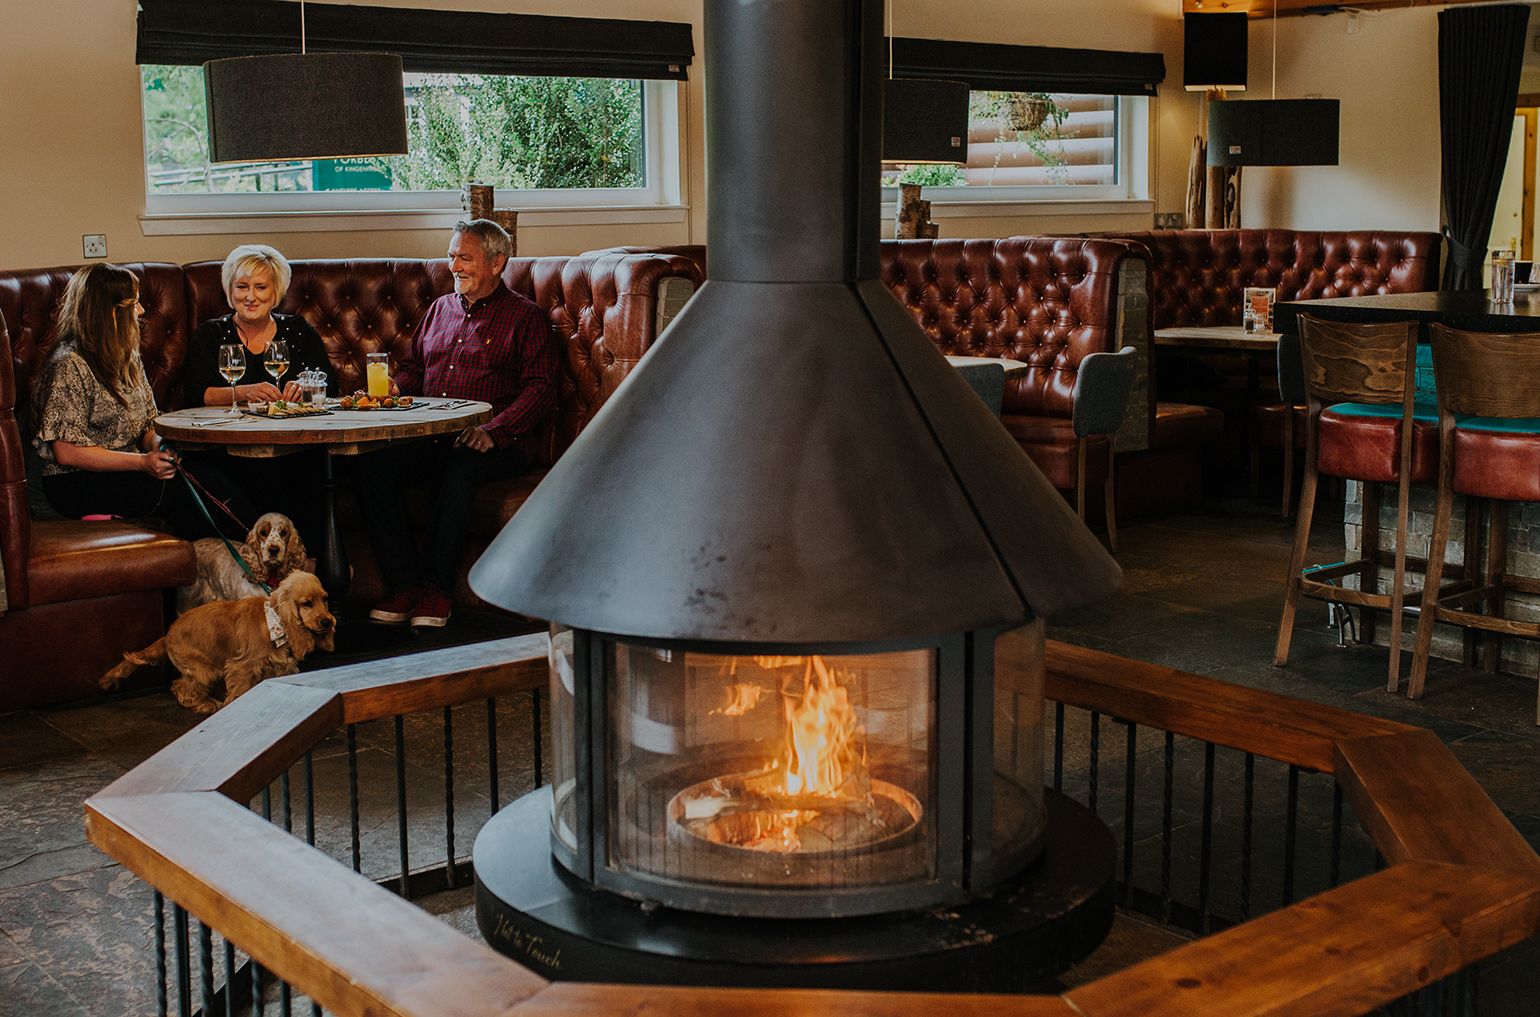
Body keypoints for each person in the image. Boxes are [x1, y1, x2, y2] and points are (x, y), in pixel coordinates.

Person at [354, 219, 557, 628]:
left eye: (465, 257)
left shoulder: (525, 317)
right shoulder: (438, 310)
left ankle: (437, 591)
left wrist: (493, 432)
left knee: (458, 469)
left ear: (497, 263)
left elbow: (541, 389)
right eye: (451, 256)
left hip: (501, 442)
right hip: (435, 436)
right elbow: (415, 369)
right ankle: (404, 585)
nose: (454, 266)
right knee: (371, 467)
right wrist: (394, 388)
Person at [32, 264, 253, 537]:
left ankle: (234, 563)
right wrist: (141, 463)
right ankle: (261, 554)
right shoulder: (69, 364)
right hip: (77, 483)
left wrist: (160, 449)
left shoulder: (126, 357)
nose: (141, 311)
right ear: (110, 312)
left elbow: (149, 422)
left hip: (128, 469)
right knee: (202, 483)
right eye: (134, 304)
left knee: (211, 471)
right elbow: (68, 453)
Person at [181, 244, 332, 547]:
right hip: (231, 446)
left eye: (261, 287)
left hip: (295, 444)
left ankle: (309, 570)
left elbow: (328, 383)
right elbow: (196, 394)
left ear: (276, 291)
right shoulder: (211, 335)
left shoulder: (297, 331)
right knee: (263, 470)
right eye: (242, 287)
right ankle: (267, 568)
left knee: (315, 463)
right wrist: (242, 392)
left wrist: (304, 388)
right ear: (229, 289)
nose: (250, 297)